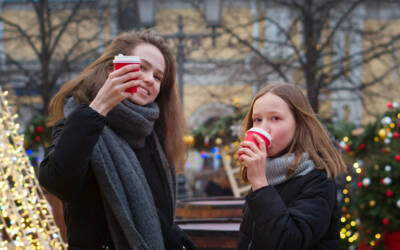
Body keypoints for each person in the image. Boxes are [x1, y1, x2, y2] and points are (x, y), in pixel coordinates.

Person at [38, 30, 195, 250]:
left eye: (158, 77)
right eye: (142, 67)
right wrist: (99, 108)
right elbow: (58, 182)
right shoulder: (79, 123)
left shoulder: (153, 138)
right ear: (113, 69)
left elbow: (152, 211)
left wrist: (174, 236)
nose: (150, 79)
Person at [237, 83, 347, 250]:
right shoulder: (268, 175)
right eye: (257, 120)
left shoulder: (318, 179)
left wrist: (260, 184)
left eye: (275, 118)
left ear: (299, 124)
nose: (263, 128)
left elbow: (290, 242)